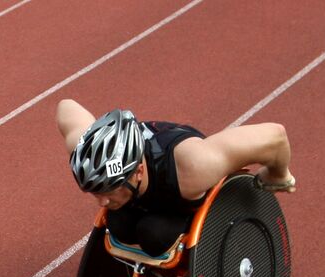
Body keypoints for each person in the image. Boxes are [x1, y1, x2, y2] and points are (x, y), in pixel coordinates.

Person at [56, 100, 294, 257]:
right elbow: (66, 106)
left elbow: (276, 137)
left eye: (108, 190)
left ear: (138, 171)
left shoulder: (195, 166)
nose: (101, 202)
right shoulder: (86, 153)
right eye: (94, 191)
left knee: (155, 234)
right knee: (119, 225)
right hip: (146, 192)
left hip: (177, 189)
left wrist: (278, 175)